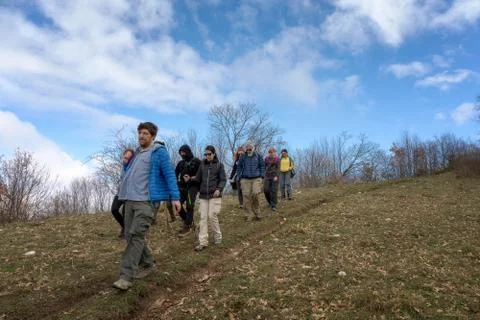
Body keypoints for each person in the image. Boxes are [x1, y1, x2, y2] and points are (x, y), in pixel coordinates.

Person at [113, 122, 181, 291]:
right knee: (131, 236)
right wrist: (125, 163)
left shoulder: (159, 153)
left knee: (136, 236)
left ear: (152, 136)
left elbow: (170, 175)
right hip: (129, 200)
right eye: (139, 133)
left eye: (145, 133)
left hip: (146, 202)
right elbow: (129, 173)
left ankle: (126, 276)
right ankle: (149, 263)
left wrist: (175, 197)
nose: (141, 136)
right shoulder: (137, 153)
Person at [190, 145, 226, 251]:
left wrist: (219, 189)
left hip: (215, 195)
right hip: (203, 195)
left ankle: (218, 238)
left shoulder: (219, 165)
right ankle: (203, 242)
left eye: (209, 154)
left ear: (214, 154)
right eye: (205, 154)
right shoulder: (202, 165)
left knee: (212, 216)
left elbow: (223, 180)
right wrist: (190, 179)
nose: (207, 156)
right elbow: (198, 178)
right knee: (203, 218)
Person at [175, 144, 201, 236]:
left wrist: (192, 178)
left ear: (188, 152)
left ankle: (187, 226)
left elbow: (201, 175)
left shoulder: (197, 161)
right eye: (181, 153)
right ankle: (188, 221)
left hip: (193, 187)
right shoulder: (181, 163)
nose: (182, 154)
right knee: (177, 205)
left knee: (189, 206)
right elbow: (175, 174)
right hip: (182, 187)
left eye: (183, 152)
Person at [111, 148, 135, 239]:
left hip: (129, 194)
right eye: (125, 157)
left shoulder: (134, 168)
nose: (125, 160)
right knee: (114, 209)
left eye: (128, 158)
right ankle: (125, 227)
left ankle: (125, 231)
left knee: (126, 213)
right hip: (120, 192)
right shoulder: (123, 167)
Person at [237, 142, 265, 221]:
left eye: (250, 149)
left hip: (257, 178)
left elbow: (262, 166)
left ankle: (257, 211)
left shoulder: (258, 156)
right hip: (245, 179)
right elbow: (239, 167)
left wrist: (262, 175)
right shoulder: (242, 156)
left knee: (255, 193)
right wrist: (239, 177)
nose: (249, 150)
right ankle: (249, 214)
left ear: (253, 148)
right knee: (246, 197)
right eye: (247, 149)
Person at [264, 147, 280, 211]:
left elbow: (278, 169)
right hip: (267, 176)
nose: (271, 153)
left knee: (273, 191)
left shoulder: (277, 159)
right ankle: (270, 202)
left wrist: (276, 176)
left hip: (274, 176)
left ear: (274, 152)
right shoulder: (266, 159)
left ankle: (273, 205)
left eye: (272, 152)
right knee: (266, 190)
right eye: (270, 152)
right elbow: (264, 167)